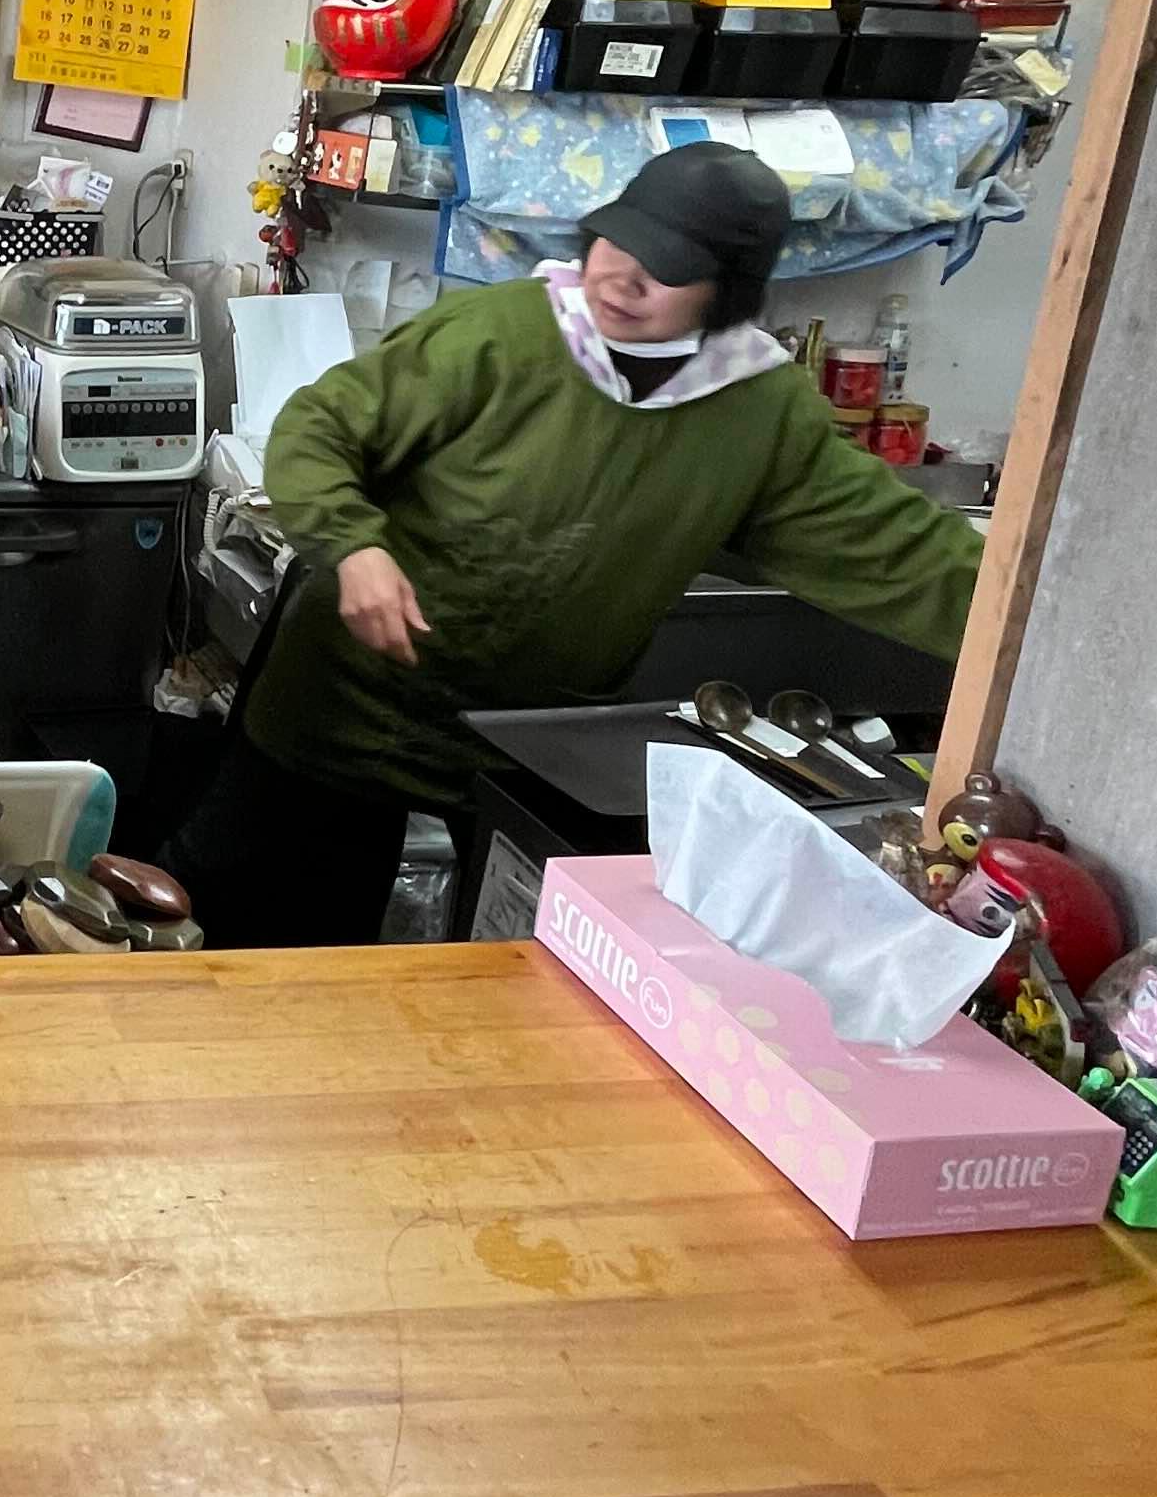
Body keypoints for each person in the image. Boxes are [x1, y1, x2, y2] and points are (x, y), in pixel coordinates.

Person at [168, 147, 988, 947]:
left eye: (666, 269)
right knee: (265, 943)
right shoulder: (500, 332)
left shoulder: (758, 413)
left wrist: (1031, 647)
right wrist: (354, 546)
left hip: (526, 740)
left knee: (503, 974)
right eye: (617, 243)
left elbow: (899, 552)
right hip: (344, 709)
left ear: (728, 292)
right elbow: (320, 429)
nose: (623, 278)